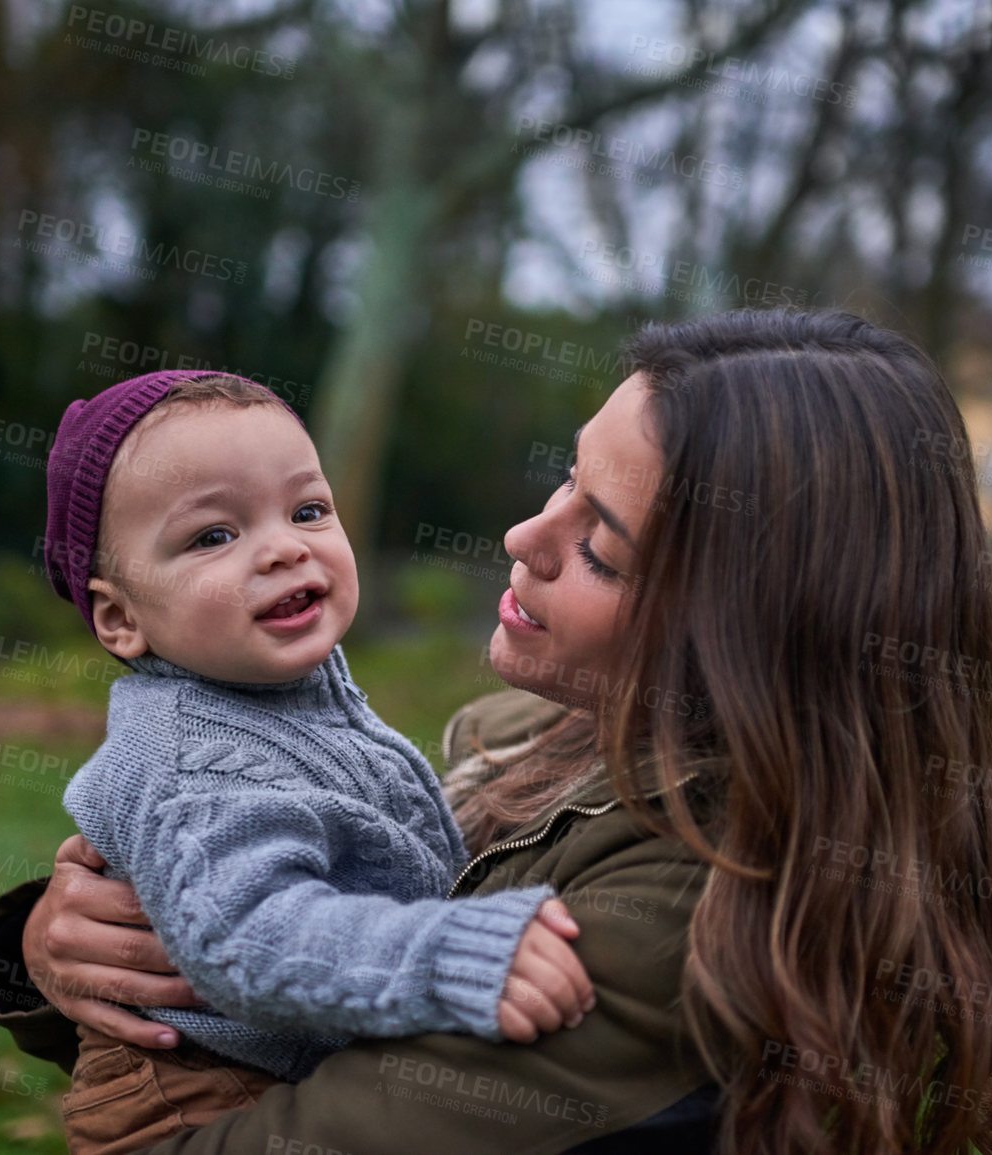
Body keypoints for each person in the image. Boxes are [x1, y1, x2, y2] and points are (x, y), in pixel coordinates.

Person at [0, 309, 992, 1154]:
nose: (523, 535)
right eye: (566, 479)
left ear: (747, 629)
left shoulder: (689, 913)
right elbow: (266, 937)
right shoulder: (521, 733)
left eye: (602, 549)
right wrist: (55, 946)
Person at [29, 369, 594, 1155]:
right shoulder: (190, 758)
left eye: (307, 510)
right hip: (195, 1098)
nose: (285, 547)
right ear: (121, 618)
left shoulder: (280, 693)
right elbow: (250, 937)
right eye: (214, 535)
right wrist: (453, 949)